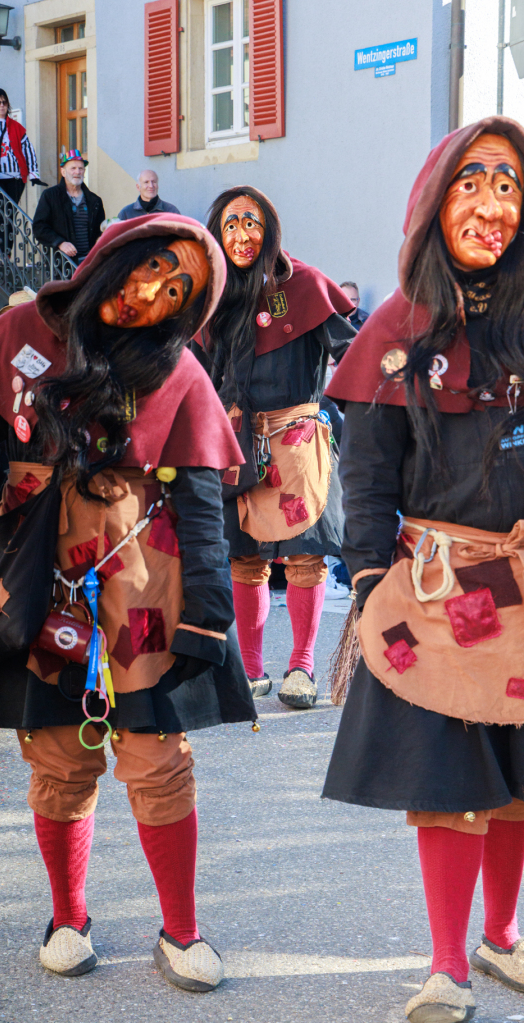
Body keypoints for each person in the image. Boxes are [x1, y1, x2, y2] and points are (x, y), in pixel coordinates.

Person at [0, 214, 256, 991]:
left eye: (176, 289)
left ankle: (181, 929)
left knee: (156, 759)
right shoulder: (19, 333)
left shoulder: (179, 372)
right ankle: (66, 916)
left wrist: (209, 609)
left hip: (145, 576)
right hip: (35, 566)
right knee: (57, 753)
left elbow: (205, 497)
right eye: (150, 267)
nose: (151, 291)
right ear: (115, 257)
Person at [322, 116, 524, 1023]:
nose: (494, 205)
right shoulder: (394, 331)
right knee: (448, 789)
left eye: (511, 186)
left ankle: (500, 937)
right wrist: (368, 584)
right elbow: (365, 477)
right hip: (434, 589)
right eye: (474, 183)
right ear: (436, 200)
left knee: (518, 781)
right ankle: (446, 967)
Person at [195, 186, 356, 707]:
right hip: (238, 440)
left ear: (270, 230)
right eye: (231, 223)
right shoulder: (212, 298)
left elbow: (350, 353)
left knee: (306, 559)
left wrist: (382, 418)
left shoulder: (305, 285)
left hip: (297, 436)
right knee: (246, 560)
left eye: (252, 222)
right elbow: (192, 377)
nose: (242, 234)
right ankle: (253, 671)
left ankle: (302, 670)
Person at [33, 150, 105, 263]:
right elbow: (39, 227)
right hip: (61, 264)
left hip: (89, 263)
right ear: (63, 172)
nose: (77, 172)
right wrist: (60, 243)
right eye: (73, 168)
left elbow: (101, 230)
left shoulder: (95, 200)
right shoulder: (50, 196)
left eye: (81, 168)